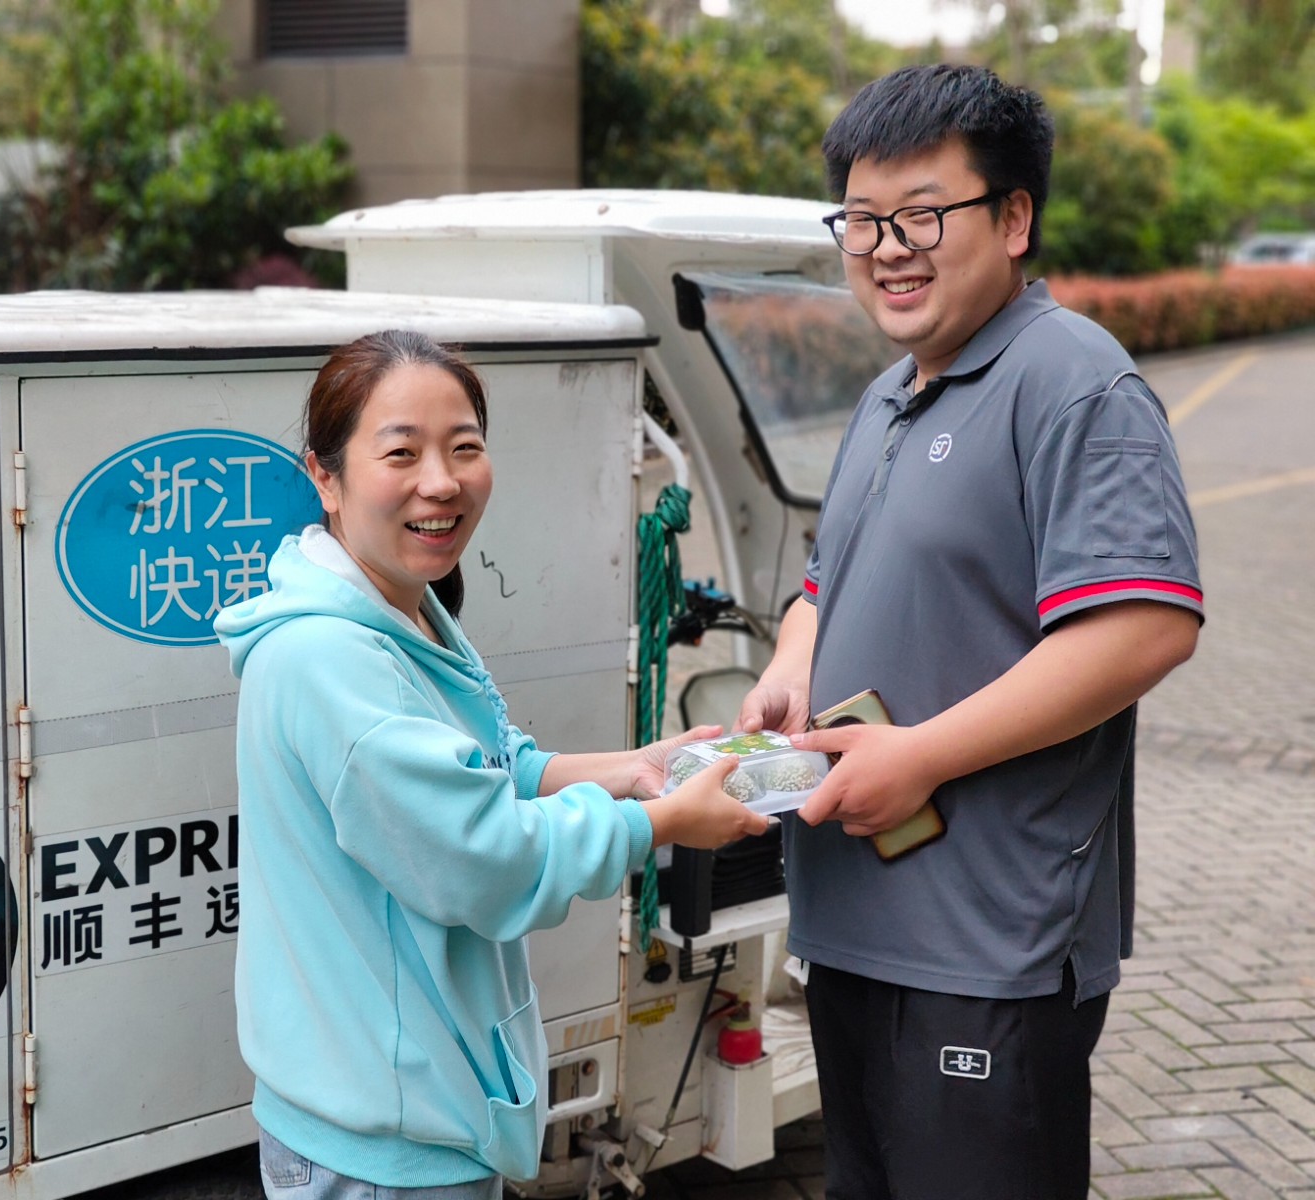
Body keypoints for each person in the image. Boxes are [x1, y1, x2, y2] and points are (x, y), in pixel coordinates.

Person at [738, 66, 1204, 1198]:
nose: (887, 248)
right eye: (861, 220)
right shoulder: (890, 394)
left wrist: (921, 756)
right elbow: (825, 578)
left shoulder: (1074, 382)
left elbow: (1143, 626)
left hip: (986, 945)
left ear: (1013, 218)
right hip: (856, 924)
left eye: (922, 215)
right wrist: (793, 664)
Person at [215, 329, 768, 1196]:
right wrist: (658, 823)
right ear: (324, 475)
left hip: (396, 1106)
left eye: (464, 447)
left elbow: (487, 768)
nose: (442, 481)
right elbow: (484, 857)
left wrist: (637, 767)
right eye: (402, 452)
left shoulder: (398, 608)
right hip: (384, 1149)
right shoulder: (331, 659)